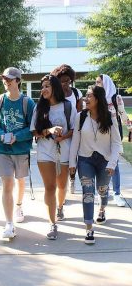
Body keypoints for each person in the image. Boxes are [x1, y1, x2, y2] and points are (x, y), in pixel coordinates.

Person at [69, 85, 122, 244]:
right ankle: (89, 228)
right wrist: (72, 162)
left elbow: (116, 143)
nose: (86, 98)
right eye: (86, 95)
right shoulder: (81, 117)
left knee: (102, 190)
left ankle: (102, 209)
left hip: (105, 161)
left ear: (98, 99)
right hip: (85, 160)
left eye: (89, 96)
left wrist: (112, 164)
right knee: (88, 191)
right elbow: (75, 142)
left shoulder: (110, 117)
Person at [0, 67, 35, 239]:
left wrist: (17, 137)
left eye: (9, 79)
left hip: (21, 150)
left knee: (20, 180)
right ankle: (9, 224)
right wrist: (2, 136)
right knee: (7, 184)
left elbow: (32, 128)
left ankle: (19, 205)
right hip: (2, 150)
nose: (6, 82)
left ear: (18, 81)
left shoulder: (27, 103)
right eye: (4, 79)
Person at [30, 74, 76, 240]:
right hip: (45, 152)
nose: (43, 89)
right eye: (42, 87)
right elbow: (34, 131)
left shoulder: (67, 106)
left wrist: (62, 136)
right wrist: (48, 131)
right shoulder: (39, 108)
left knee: (61, 186)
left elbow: (73, 129)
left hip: (63, 152)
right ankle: (52, 223)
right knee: (50, 187)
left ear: (55, 87)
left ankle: (60, 206)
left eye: (47, 86)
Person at [50, 64, 83, 219]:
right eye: (62, 81)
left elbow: (80, 113)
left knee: (72, 159)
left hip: (74, 132)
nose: (65, 84)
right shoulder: (53, 94)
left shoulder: (76, 93)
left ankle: (71, 179)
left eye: (68, 81)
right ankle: (61, 195)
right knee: (59, 166)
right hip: (57, 136)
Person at [96, 74, 132, 207]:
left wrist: (130, 128)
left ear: (106, 83)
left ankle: (117, 194)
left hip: (115, 136)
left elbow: (123, 115)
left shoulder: (116, 98)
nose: (97, 85)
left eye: (99, 82)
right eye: (96, 82)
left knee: (114, 165)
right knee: (100, 165)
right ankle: (102, 193)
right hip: (99, 136)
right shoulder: (96, 97)